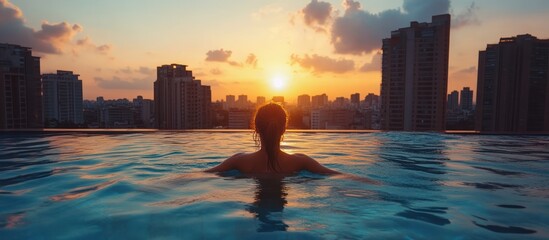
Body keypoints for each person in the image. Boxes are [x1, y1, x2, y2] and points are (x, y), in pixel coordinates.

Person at [206, 102, 339, 175]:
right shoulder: (300, 162)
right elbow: (338, 176)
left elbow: (202, 175)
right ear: (284, 129)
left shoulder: (239, 161)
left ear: (256, 129)